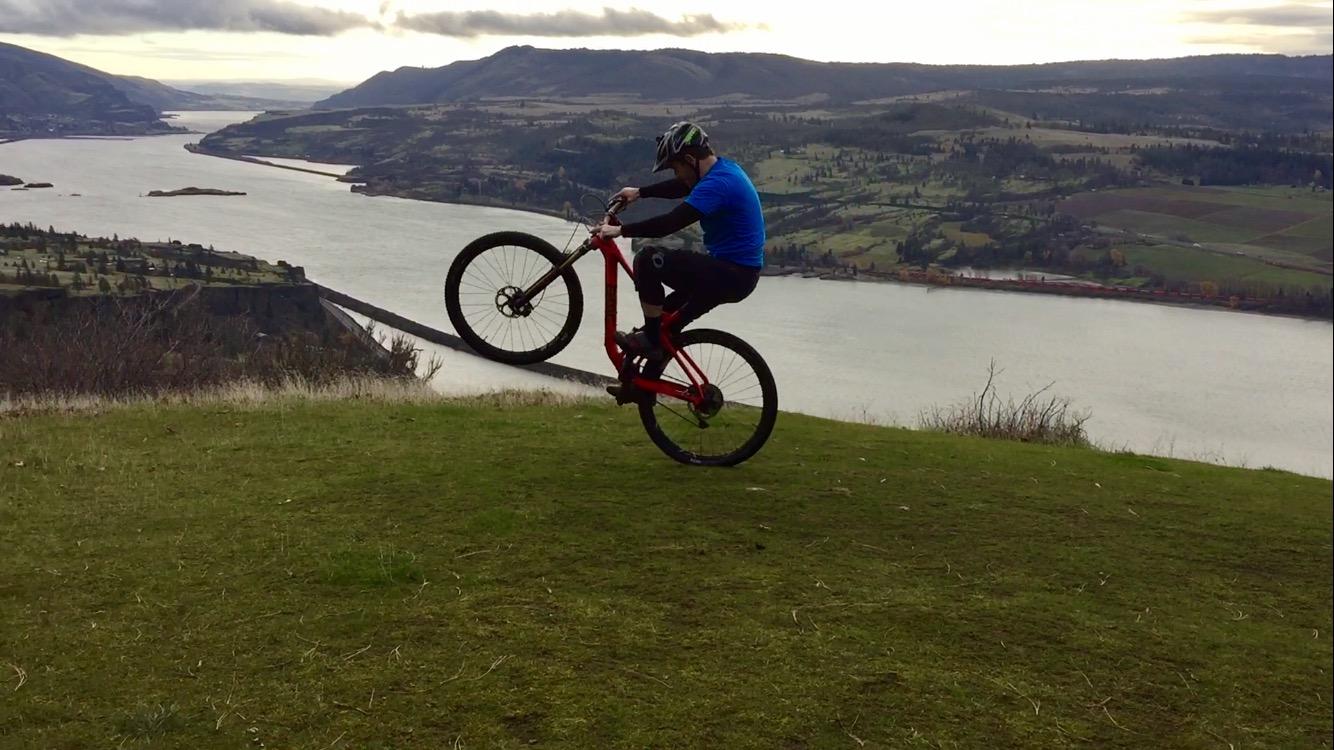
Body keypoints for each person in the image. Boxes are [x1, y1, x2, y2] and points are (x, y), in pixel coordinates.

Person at [594, 121, 766, 396]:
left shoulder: (719, 184)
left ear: (689, 159)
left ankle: (650, 340)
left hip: (730, 274)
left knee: (648, 259)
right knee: (665, 326)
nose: (677, 173)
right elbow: (681, 186)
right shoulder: (720, 171)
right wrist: (639, 192)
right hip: (736, 274)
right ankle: (641, 385)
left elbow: (670, 223)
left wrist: (620, 230)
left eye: (675, 167)